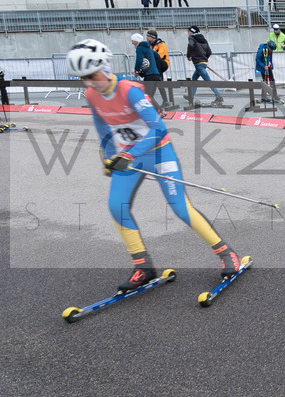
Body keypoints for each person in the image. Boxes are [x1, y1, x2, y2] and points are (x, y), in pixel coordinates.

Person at [65, 39, 244, 294]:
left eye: (91, 75)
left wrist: (130, 154)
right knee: (116, 206)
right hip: (129, 157)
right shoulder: (92, 95)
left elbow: (158, 128)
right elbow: (103, 128)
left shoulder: (130, 91)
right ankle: (143, 266)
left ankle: (226, 253)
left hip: (159, 152)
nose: (88, 82)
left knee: (180, 207)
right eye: (83, 78)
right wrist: (107, 157)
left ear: (105, 68)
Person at [185, 26, 224, 107]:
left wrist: (189, 55)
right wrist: (204, 58)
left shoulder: (191, 38)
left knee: (208, 81)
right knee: (194, 79)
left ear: (191, 32)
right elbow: (209, 51)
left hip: (198, 63)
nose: (188, 33)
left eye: (188, 31)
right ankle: (191, 97)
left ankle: (219, 96)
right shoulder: (203, 39)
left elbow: (190, 46)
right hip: (203, 63)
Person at [130, 33, 162, 107]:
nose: (132, 42)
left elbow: (139, 60)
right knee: (150, 95)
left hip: (149, 74)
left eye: (133, 41)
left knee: (147, 95)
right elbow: (157, 56)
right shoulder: (149, 48)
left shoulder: (140, 48)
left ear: (136, 41)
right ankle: (155, 111)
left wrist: (136, 70)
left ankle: (160, 110)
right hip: (156, 74)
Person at [145, 29, 171, 110]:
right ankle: (165, 101)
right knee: (158, 82)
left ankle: (152, 98)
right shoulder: (150, 45)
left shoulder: (161, 44)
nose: (146, 37)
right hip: (155, 65)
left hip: (162, 64)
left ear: (152, 37)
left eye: (148, 36)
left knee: (156, 81)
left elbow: (159, 56)